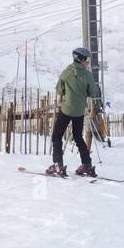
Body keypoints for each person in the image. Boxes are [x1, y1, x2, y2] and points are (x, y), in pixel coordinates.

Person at [48, 47, 102, 177]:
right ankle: (87, 165)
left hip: (66, 110)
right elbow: (92, 92)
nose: (88, 62)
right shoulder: (88, 75)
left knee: (57, 136)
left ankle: (57, 165)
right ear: (81, 59)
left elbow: (60, 90)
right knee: (78, 137)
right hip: (79, 111)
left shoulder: (66, 72)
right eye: (87, 59)